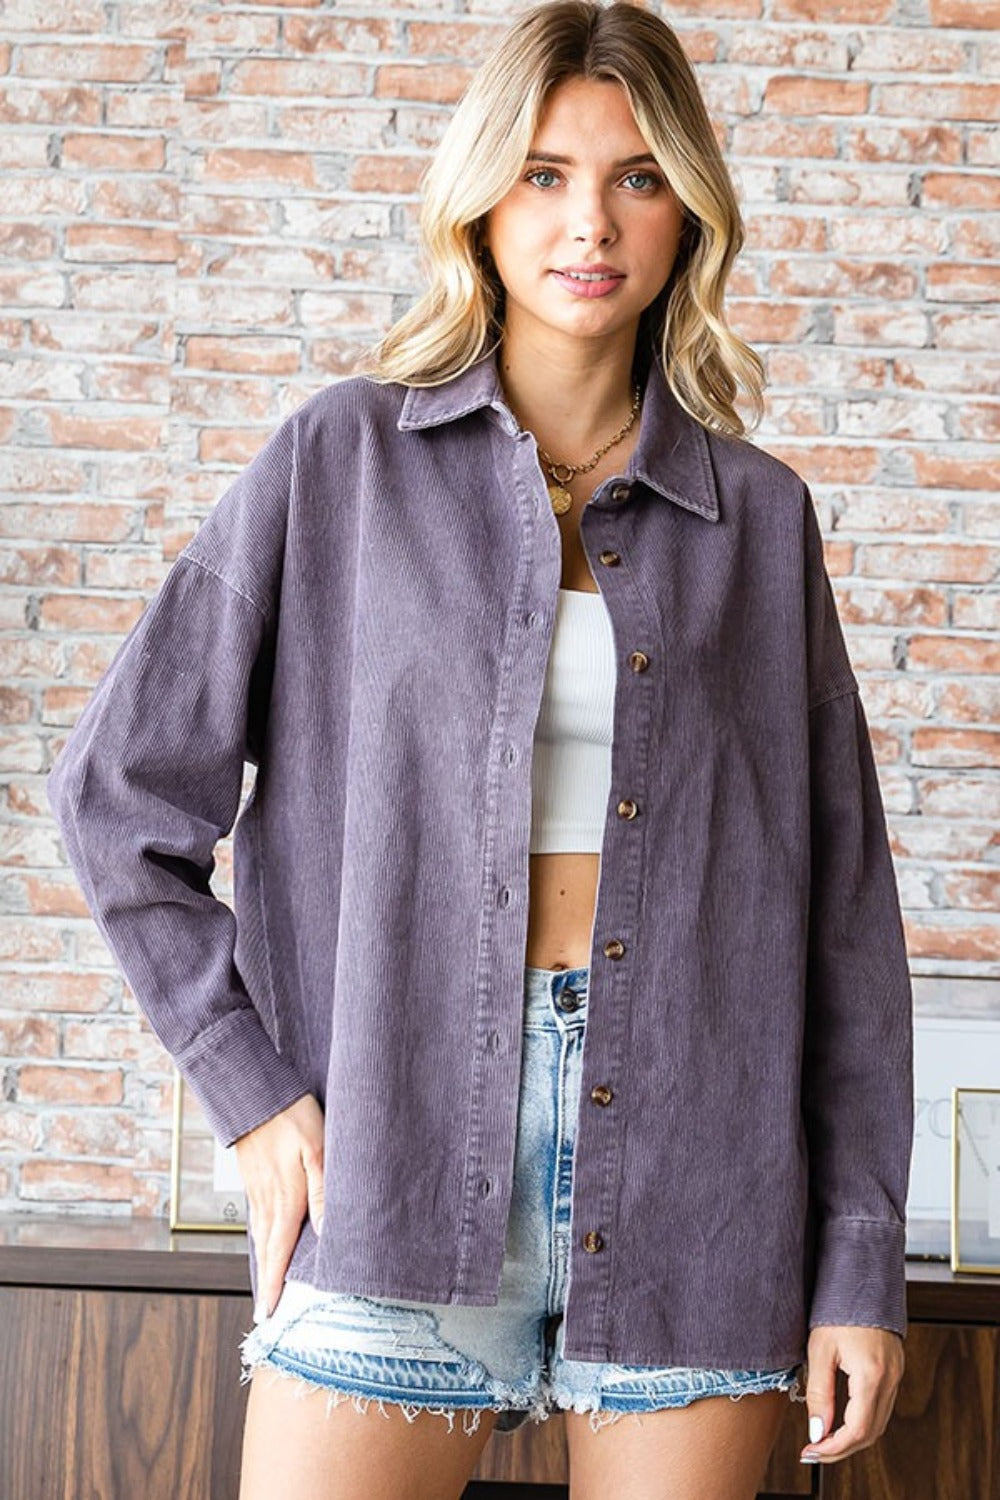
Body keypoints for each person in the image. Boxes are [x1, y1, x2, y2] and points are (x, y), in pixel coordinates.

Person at [45, 3, 915, 1498]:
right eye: (544, 174)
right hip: (387, 1148)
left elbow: (843, 918)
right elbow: (117, 794)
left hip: (701, 1180)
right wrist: (251, 1093)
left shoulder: (759, 521)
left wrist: (857, 1262)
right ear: (480, 200)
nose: (592, 223)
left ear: (690, 210)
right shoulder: (338, 464)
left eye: (638, 177)